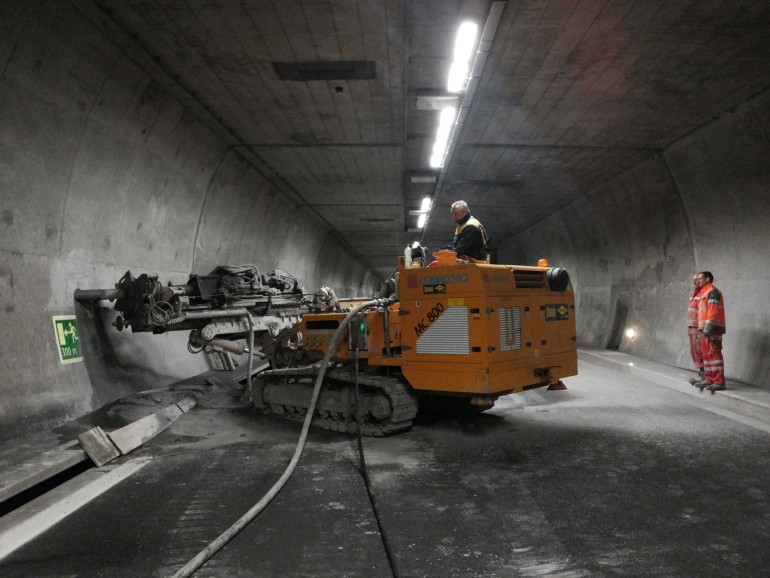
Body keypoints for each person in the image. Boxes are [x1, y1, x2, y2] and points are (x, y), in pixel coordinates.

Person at [690, 271, 726, 391]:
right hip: (705, 330)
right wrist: (701, 330)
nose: (698, 280)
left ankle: (719, 382)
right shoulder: (705, 293)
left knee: (714, 355)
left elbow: (713, 312)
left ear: (708, 279)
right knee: (706, 355)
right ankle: (709, 380)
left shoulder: (713, 292)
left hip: (713, 329)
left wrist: (708, 328)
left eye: (701, 278)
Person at [687, 273, 705, 379]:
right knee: (694, 349)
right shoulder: (695, 294)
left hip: (698, 327)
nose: (695, 281)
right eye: (694, 280)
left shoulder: (703, 294)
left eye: (697, 279)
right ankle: (701, 369)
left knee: (700, 348)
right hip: (691, 327)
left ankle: (704, 370)